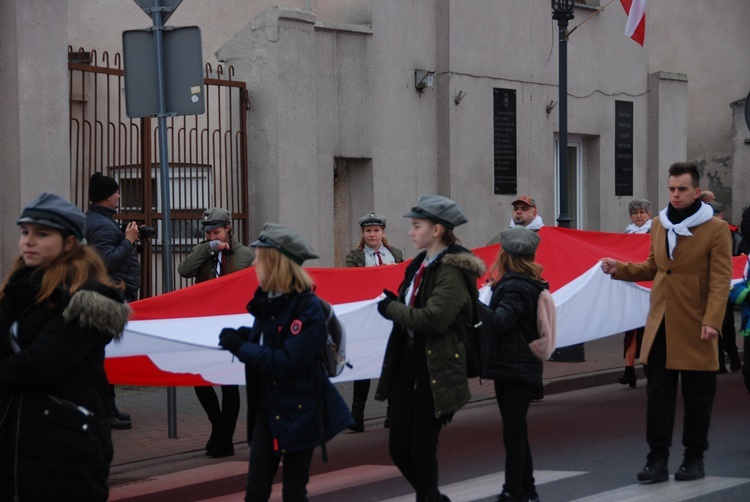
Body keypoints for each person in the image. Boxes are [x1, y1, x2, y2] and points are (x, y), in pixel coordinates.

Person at [600, 162, 732, 483]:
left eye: (682, 189)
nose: (675, 194)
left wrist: (713, 320)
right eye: (671, 189)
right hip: (659, 325)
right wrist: (622, 268)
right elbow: (653, 267)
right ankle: (657, 459)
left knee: (698, 398)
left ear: (696, 192)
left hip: (697, 325)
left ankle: (693, 458)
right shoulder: (658, 225)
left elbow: (720, 279)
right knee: (658, 396)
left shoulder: (715, 229)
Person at [0, 193, 131, 501]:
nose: (28, 241)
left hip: (66, 447)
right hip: (15, 442)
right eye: (25, 232)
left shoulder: (90, 300)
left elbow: (42, 361)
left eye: (42, 234)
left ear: (69, 243)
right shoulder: (15, 291)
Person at [217, 223, 352, 501]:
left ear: (275, 262)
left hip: (300, 408)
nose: (254, 263)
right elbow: (270, 341)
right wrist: (243, 336)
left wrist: (240, 347)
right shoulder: (269, 300)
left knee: (293, 491)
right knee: (255, 491)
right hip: (269, 406)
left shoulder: (308, 307)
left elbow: (286, 361)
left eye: (259, 256)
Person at [374, 195, 485, 502]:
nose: (410, 232)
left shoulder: (450, 270)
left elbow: (434, 319)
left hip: (438, 367)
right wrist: (397, 305)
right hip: (409, 364)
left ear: (437, 230)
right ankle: (434, 498)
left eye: (416, 225)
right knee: (398, 447)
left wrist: (391, 309)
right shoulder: (419, 264)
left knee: (421, 448)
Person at [476, 226, 548, 502]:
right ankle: (527, 489)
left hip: (517, 367)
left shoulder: (516, 286)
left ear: (506, 255)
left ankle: (513, 491)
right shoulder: (519, 282)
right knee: (516, 429)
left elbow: (498, 322)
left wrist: (472, 301)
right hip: (512, 365)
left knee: (513, 433)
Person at [178, 208, 255, 457]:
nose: (213, 235)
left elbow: (250, 285)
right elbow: (185, 270)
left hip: (231, 325)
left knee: (228, 384)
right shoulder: (205, 250)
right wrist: (209, 247)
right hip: (204, 323)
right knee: (200, 379)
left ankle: (227, 437)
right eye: (209, 232)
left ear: (228, 229)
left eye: (217, 232)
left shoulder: (243, 254)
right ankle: (217, 425)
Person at [84, 171, 139, 429]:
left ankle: (109, 408)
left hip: (114, 292)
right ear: (107, 197)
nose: (119, 195)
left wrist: (129, 240)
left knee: (106, 354)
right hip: (111, 293)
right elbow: (105, 262)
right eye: (117, 192)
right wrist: (128, 241)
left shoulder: (101, 221)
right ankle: (106, 410)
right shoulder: (101, 224)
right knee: (104, 357)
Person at [345, 211, 404, 432]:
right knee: (363, 365)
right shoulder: (355, 256)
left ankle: (392, 412)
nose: (372, 234)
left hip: (390, 317)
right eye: (368, 231)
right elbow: (351, 283)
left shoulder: (396, 254)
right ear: (363, 233)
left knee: (391, 363)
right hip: (367, 317)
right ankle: (356, 415)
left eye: (376, 230)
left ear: (383, 233)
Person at [488, 195, 546, 401]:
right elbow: (487, 259)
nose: (519, 212)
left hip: (530, 294)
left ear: (534, 212)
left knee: (532, 337)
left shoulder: (545, 237)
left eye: (524, 208)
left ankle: (533, 382)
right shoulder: (501, 237)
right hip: (508, 293)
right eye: (516, 209)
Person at [618, 198, 652, 387]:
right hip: (631, 287)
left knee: (648, 330)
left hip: (649, 287)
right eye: (635, 213)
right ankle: (629, 371)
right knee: (630, 331)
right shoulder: (626, 234)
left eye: (642, 212)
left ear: (649, 214)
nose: (639, 216)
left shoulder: (654, 232)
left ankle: (649, 367)